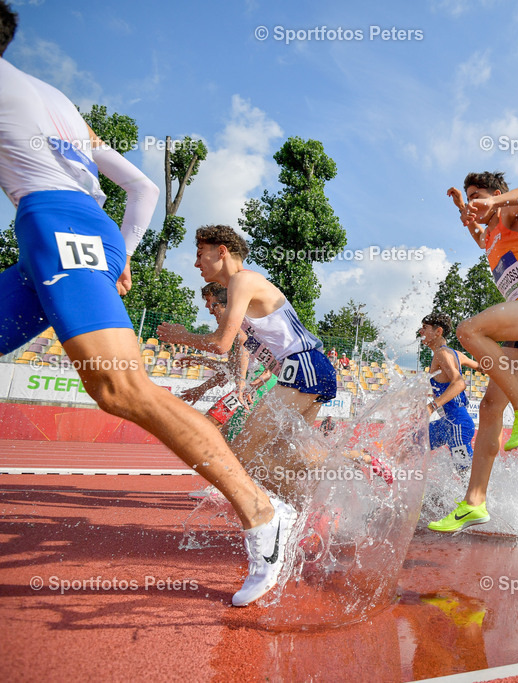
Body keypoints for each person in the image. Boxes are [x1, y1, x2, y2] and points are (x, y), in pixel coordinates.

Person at [0, 2, 293, 607]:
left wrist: (109, 257)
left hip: (59, 227)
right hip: (73, 230)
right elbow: (144, 187)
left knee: (120, 389)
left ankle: (264, 513)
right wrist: (122, 253)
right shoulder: (55, 99)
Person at [158, 226, 389, 496]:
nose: (196, 263)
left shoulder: (241, 281)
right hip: (310, 368)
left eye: (200, 254)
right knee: (290, 458)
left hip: (303, 367)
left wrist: (183, 336)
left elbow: (221, 343)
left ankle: (295, 511)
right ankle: (359, 459)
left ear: (222, 252)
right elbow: (234, 354)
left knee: (244, 454)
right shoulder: (242, 290)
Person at [429, 173, 518, 532]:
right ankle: (474, 502)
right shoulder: (489, 234)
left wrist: (492, 204)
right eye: (473, 197)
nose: (476, 202)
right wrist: (463, 207)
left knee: (467, 330)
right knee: (489, 408)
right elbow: (477, 234)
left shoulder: (508, 216)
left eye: (480, 195)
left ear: (497, 196)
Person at [180, 283, 278, 499]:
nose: (208, 309)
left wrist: (242, 386)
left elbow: (244, 349)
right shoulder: (233, 326)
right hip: (254, 385)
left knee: (212, 428)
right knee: (226, 435)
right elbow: (230, 369)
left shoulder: (236, 324)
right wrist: (201, 383)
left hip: (257, 385)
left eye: (211, 303)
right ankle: (237, 485)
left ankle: (231, 486)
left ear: (223, 304)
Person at [420, 311, 477, 473]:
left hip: (458, 425)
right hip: (447, 424)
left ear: (438, 332)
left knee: (465, 473)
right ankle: (407, 484)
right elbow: (483, 367)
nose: (420, 332)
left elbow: (459, 384)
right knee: (414, 443)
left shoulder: (442, 353)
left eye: (425, 328)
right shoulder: (455, 354)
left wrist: (431, 407)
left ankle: (484, 497)